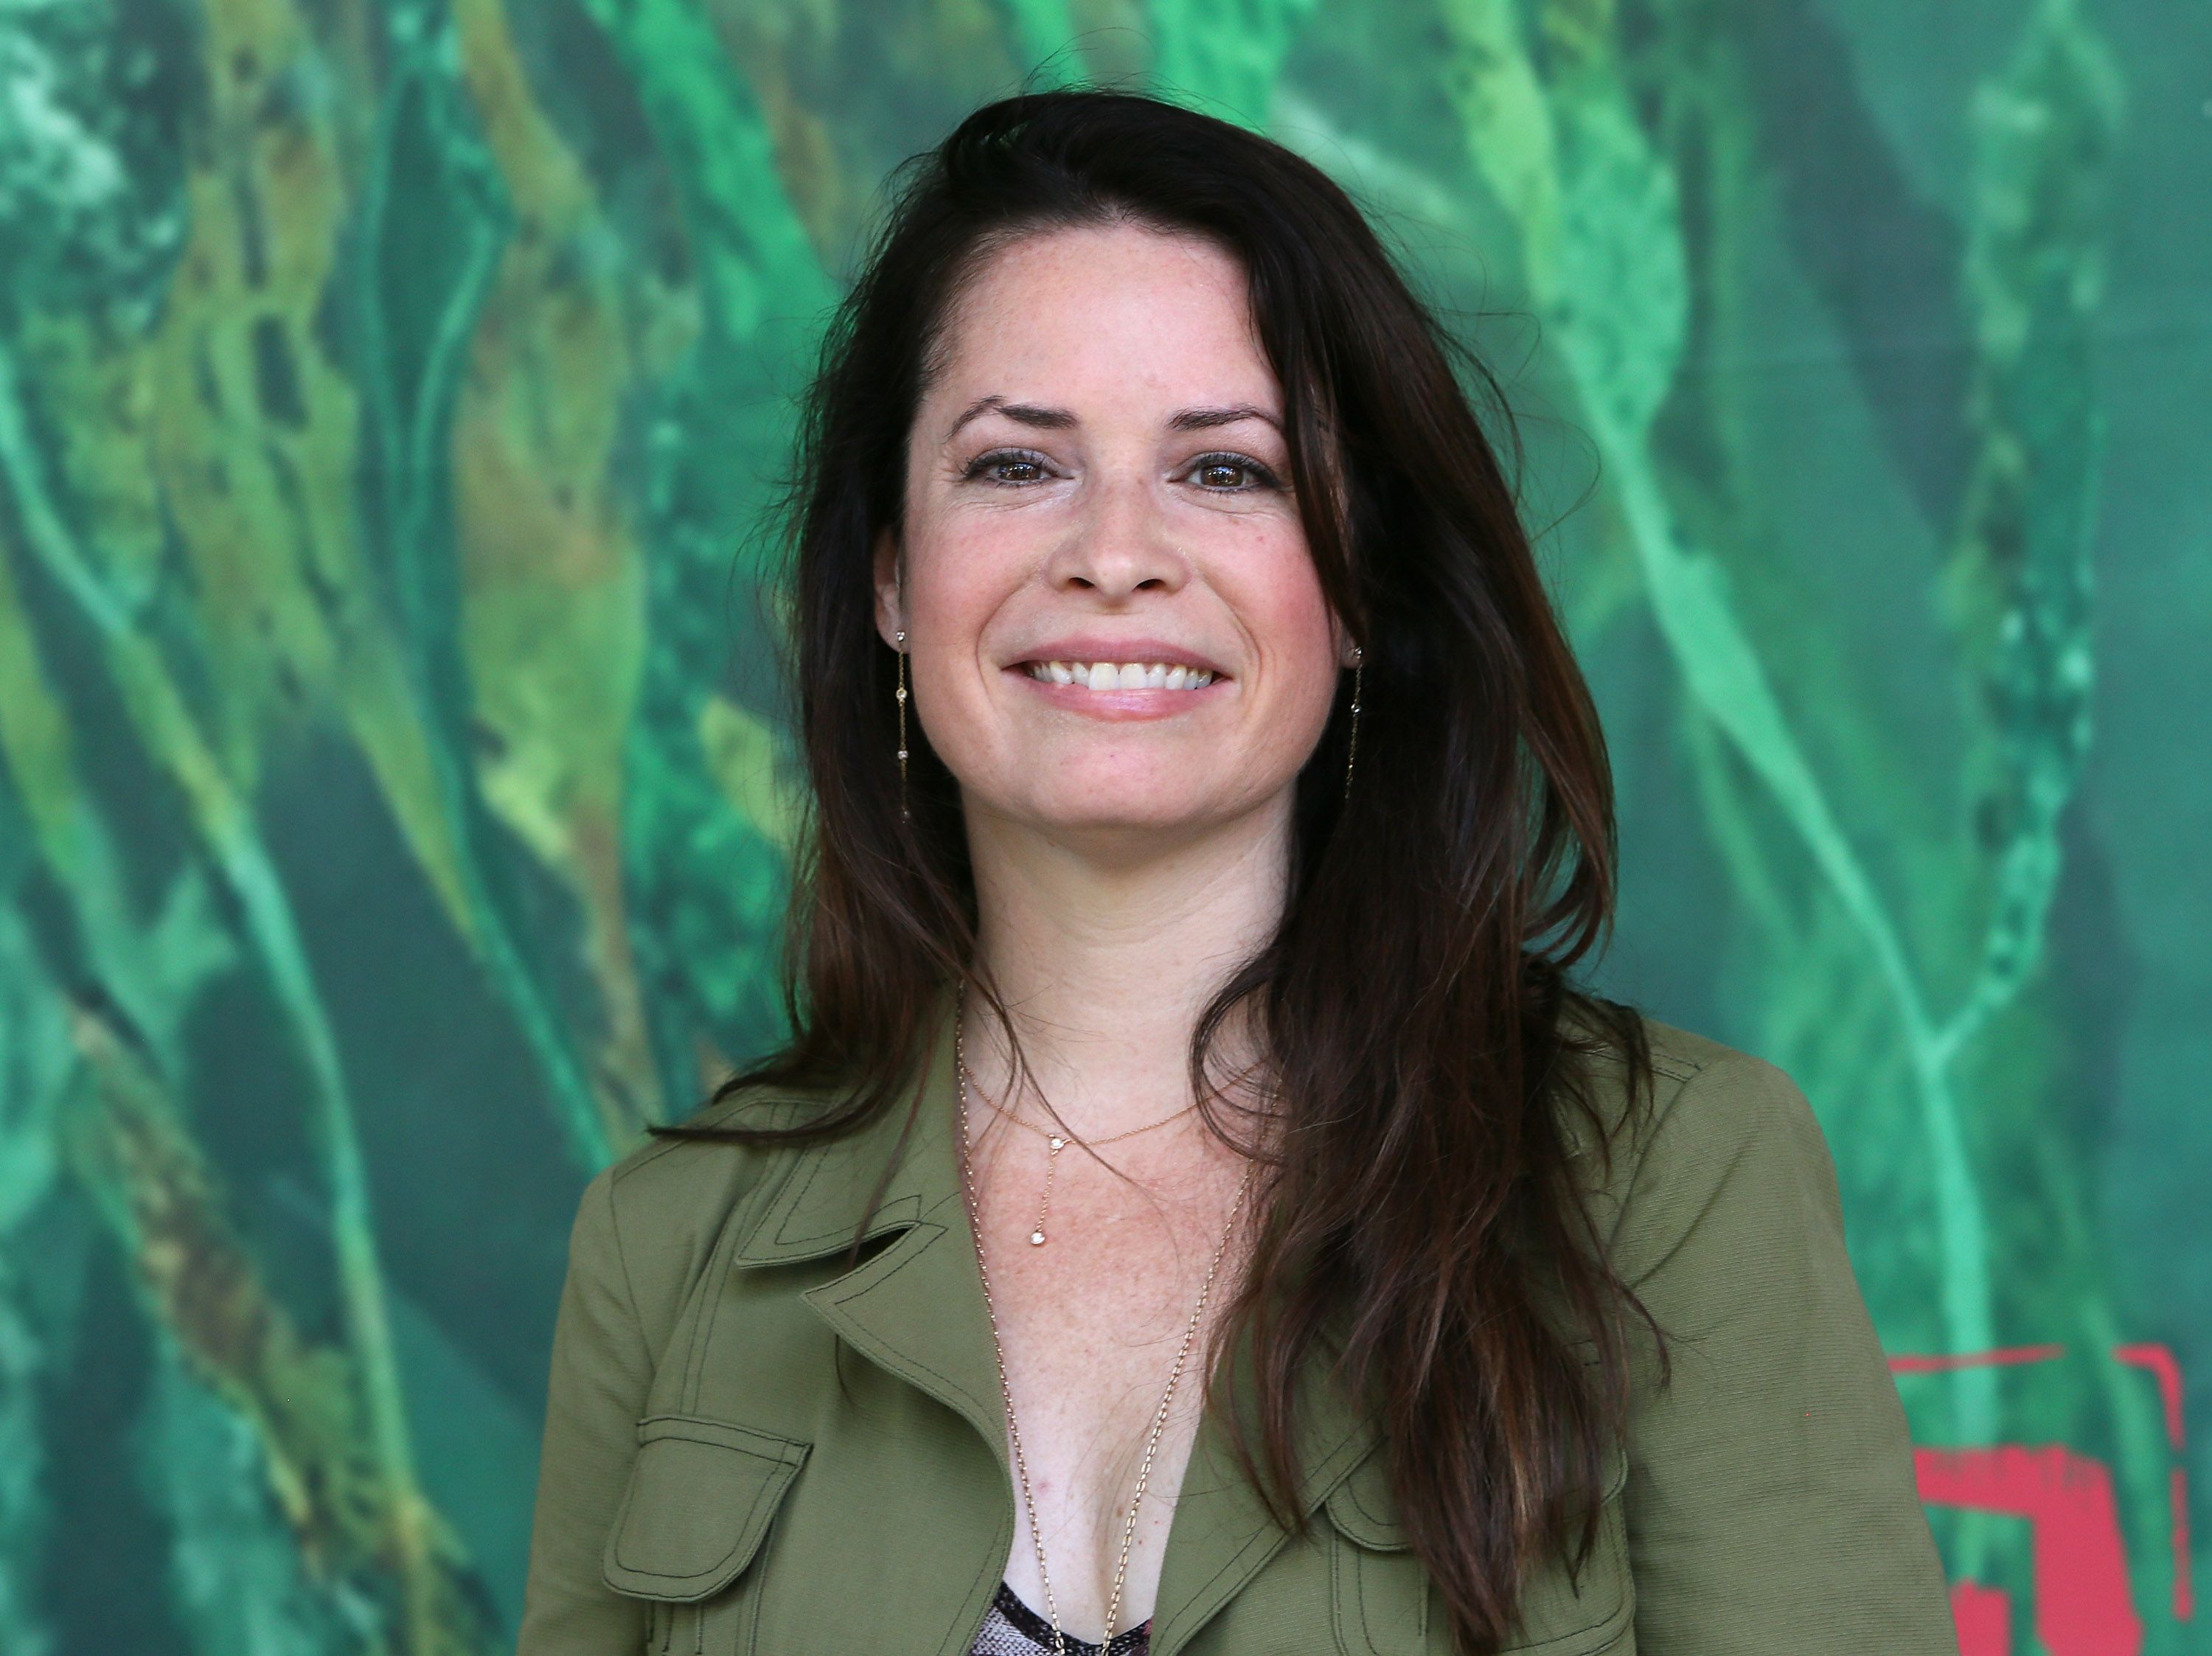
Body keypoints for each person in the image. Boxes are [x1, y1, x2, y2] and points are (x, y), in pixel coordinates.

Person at [515, 87, 1957, 1656]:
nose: (1116, 549)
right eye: (1016, 467)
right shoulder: (669, 1247)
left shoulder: (1671, 1185)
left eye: (1227, 472)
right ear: (886, 577)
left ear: (1352, 595)